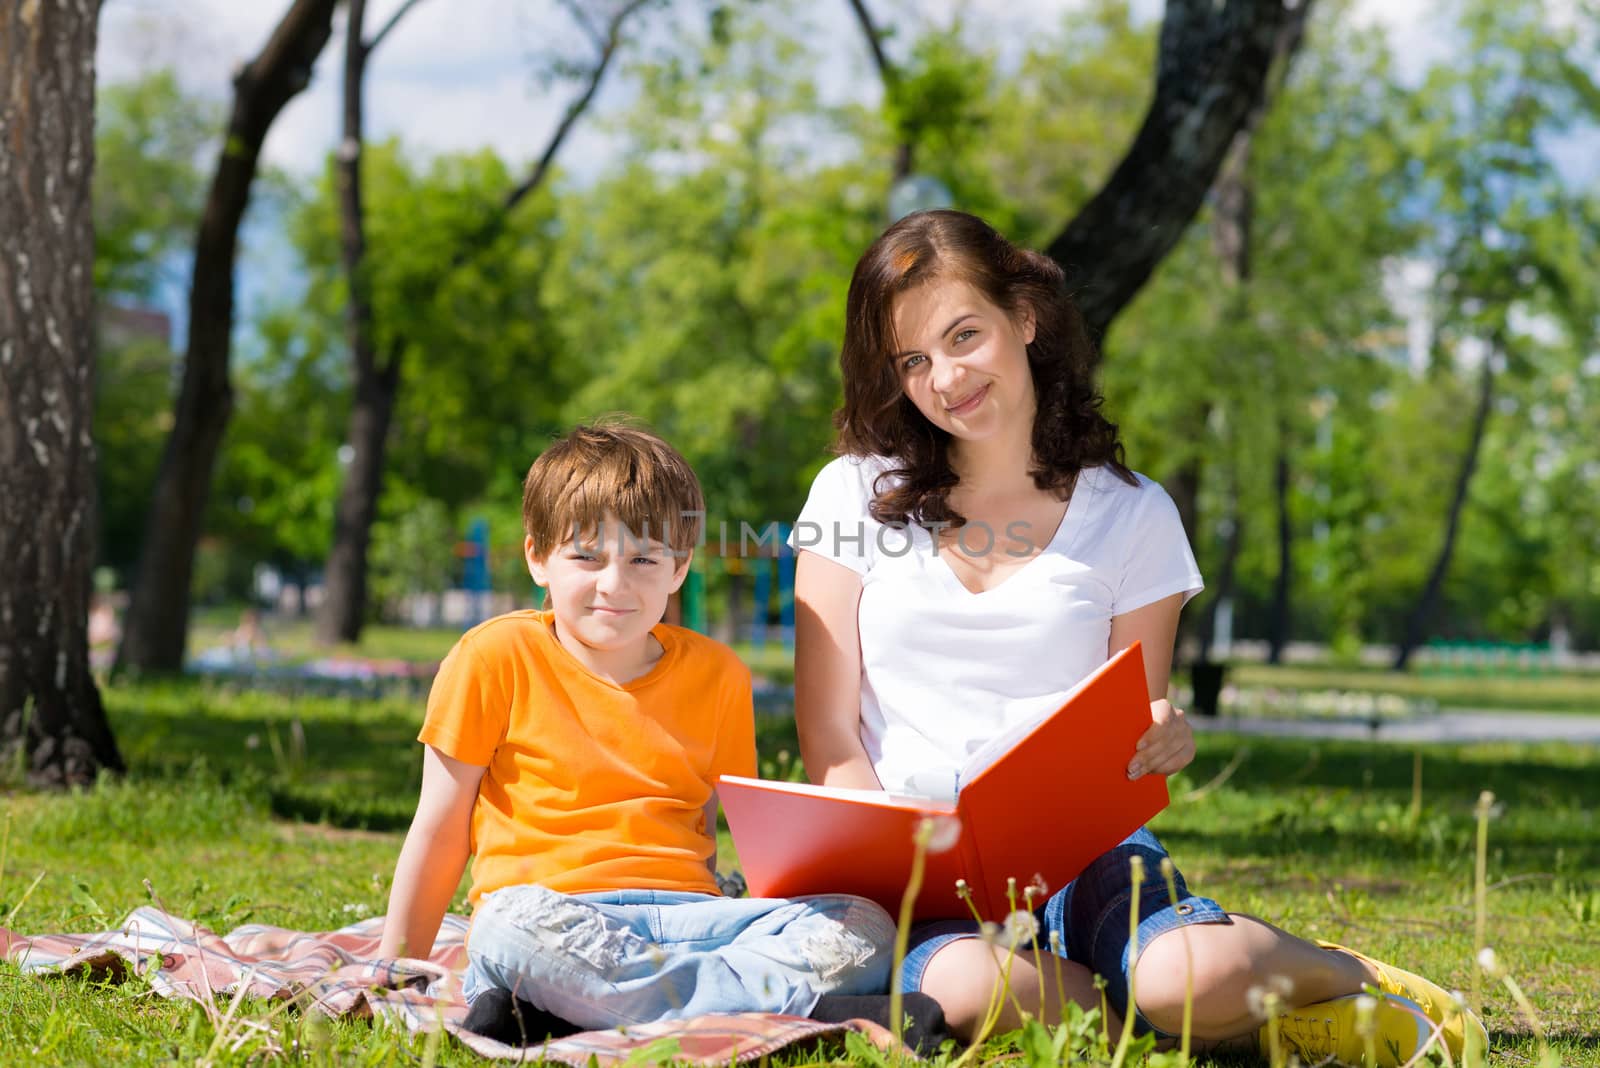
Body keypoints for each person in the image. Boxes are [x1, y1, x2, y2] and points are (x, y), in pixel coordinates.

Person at [791, 210, 1487, 1065]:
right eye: (913, 360)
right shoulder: (850, 494)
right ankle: (1241, 1032)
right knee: (965, 990)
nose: (945, 377)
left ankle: (1338, 974)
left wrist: (1164, 726)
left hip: (1087, 850)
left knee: (1178, 979)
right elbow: (827, 734)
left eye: (964, 335)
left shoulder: (1132, 512)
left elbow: (1136, 704)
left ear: (1025, 318)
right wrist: (891, 855)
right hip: (922, 876)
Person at [378, 423, 922, 1046]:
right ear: (537, 558)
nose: (615, 583)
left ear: (679, 568)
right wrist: (394, 973)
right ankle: (755, 1008)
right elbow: (440, 828)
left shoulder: (721, 676)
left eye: (643, 559)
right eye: (586, 556)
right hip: (556, 919)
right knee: (504, 928)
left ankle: (584, 1010)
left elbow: (707, 832)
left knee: (865, 925)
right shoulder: (494, 656)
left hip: (692, 917)